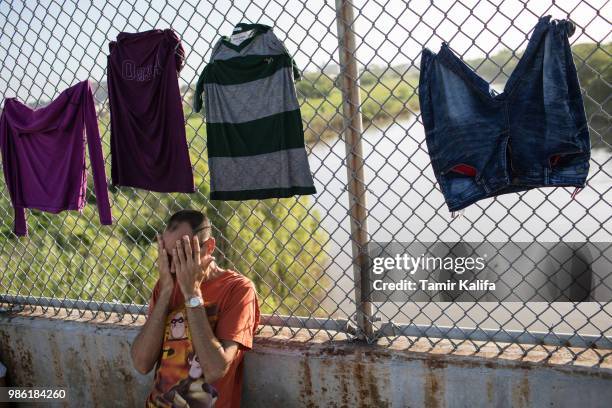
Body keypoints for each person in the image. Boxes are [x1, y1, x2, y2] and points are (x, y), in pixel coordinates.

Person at [131, 210, 260, 408]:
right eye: (167, 256)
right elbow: (141, 363)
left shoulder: (238, 289)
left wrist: (192, 294)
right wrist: (165, 291)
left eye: (182, 254)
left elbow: (216, 369)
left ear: (208, 247)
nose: (174, 267)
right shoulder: (166, 284)